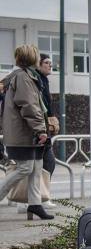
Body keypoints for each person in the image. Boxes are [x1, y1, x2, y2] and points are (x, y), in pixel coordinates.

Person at [0, 45, 52, 220]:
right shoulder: (23, 77)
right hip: (24, 132)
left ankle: (35, 204)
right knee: (25, 168)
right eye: (37, 56)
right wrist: (40, 130)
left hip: (28, 132)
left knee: (36, 167)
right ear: (32, 58)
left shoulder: (28, 75)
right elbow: (29, 106)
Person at [35, 54, 58, 208]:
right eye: (46, 63)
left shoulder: (44, 80)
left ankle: (38, 198)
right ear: (38, 64)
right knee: (45, 162)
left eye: (51, 63)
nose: (50, 65)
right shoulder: (36, 80)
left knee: (41, 164)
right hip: (38, 128)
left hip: (43, 127)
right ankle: (41, 198)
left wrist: (51, 117)